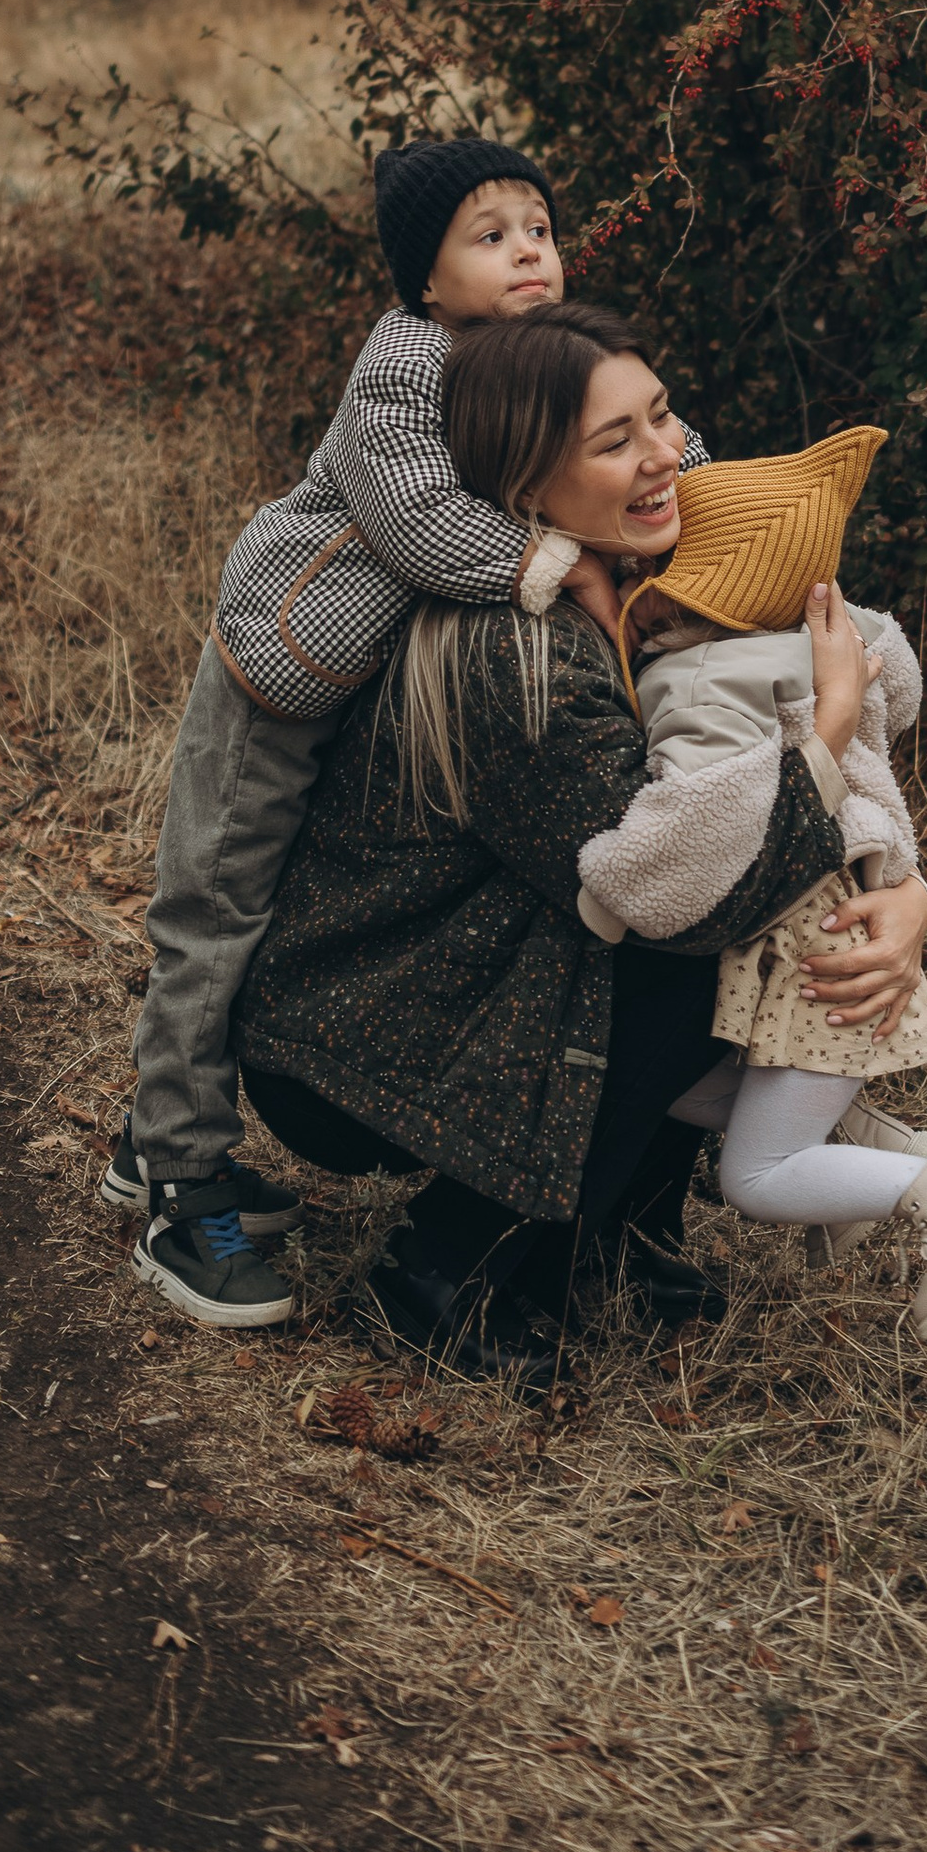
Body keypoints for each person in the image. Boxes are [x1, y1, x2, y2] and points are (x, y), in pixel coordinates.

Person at [230, 307, 927, 1387]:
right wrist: (823, 737)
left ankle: (612, 1238)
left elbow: (854, 665)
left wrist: (912, 893)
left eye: (660, 415)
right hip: (360, 1024)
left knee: (700, 917)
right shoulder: (511, 650)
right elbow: (681, 895)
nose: (666, 454)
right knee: (670, 956)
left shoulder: (661, 576)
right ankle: (445, 1273)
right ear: (525, 482)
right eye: (615, 442)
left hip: (475, 969)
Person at [111, 136, 710, 1332]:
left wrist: (721, 510)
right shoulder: (404, 364)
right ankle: (176, 1170)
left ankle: (609, 1224)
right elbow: (419, 520)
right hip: (283, 673)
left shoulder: (548, 357)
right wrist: (563, 561)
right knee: (216, 907)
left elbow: (671, 448)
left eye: (535, 226)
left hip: (384, 686)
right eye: (487, 237)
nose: (525, 250)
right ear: (424, 283)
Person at [577, 434, 927, 1336]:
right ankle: (865, 1176)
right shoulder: (823, 647)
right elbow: (894, 690)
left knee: (755, 1172)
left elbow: (694, 827)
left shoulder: (699, 681)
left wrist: (609, 888)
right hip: (832, 920)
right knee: (688, 1081)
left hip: (803, 949)